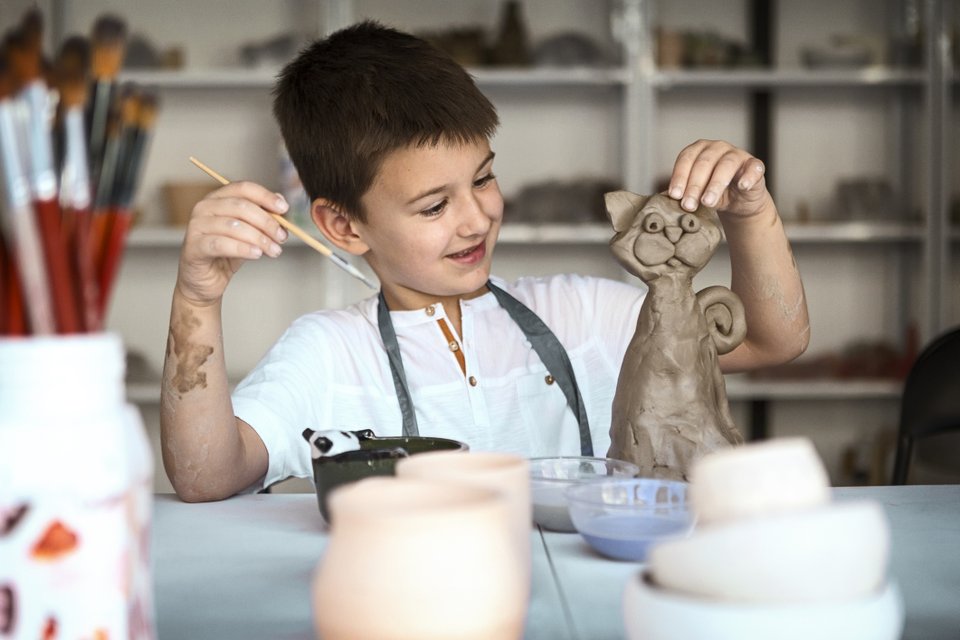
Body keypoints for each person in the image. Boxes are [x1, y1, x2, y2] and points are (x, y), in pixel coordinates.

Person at [160, 21, 809, 502]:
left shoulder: (580, 314)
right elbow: (205, 476)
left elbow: (773, 339)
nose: (476, 218)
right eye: (434, 205)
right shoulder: (329, 354)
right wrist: (196, 300)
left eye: (485, 179)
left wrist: (749, 212)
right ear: (342, 225)